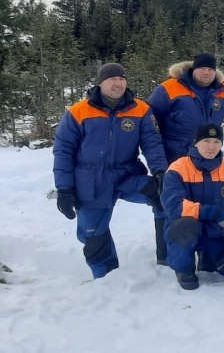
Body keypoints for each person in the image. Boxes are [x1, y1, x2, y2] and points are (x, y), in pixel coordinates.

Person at [53, 63, 168, 278]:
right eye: (112, 79)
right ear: (100, 83)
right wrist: (64, 189)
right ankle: (106, 279)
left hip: (127, 174)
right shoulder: (78, 111)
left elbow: (152, 143)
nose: (118, 83)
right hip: (91, 181)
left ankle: (168, 259)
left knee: (165, 197)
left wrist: (161, 172)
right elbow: (63, 152)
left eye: (121, 78)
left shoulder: (140, 109)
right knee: (94, 236)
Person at [160, 123, 224, 290]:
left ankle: (208, 257)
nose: (211, 146)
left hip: (216, 232)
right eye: (206, 140)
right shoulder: (178, 168)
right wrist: (211, 212)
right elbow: (173, 205)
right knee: (185, 226)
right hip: (186, 230)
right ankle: (184, 269)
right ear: (196, 142)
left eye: (216, 141)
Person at [147, 52, 224, 164]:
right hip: (174, 156)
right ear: (194, 69)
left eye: (210, 69)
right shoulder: (169, 88)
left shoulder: (220, 90)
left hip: (207, 155)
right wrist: (157, 155)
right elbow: (150, 118)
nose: (206, 72)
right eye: (202, 68)